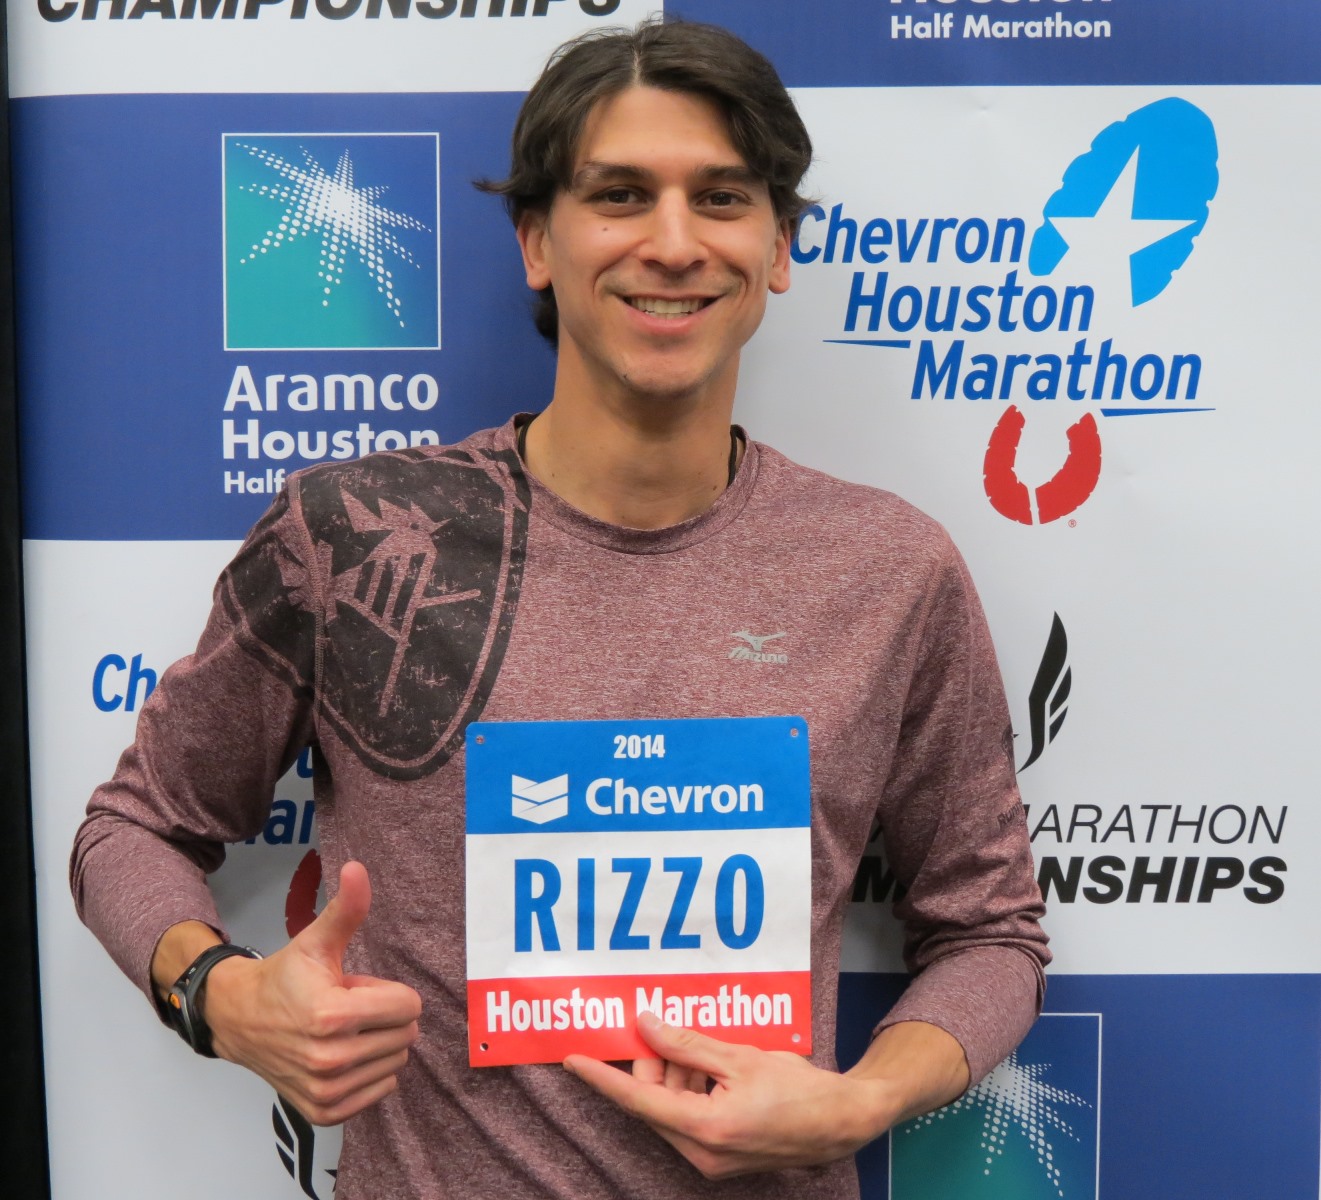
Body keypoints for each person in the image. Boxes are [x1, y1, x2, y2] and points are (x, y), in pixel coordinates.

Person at [72, 18, 1048, 1199]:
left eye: (723, 198)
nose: (674, 243)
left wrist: (862, 1099)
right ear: (537, 238)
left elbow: (990, 933)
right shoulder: (360, 537)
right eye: (621, 195)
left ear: (780, 245)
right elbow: (132, 831)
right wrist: (221, 996)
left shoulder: (888, 568)